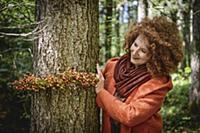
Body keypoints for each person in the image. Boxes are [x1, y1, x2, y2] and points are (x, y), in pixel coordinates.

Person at [95, 16, 183, 133]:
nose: (135, 52)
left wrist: (101, 93)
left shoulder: (158, 84)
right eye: (135, 45)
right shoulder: (113, 66)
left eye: (143, 51)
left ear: (156, 56)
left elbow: (130, 116)